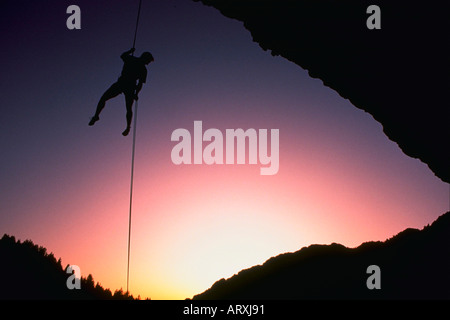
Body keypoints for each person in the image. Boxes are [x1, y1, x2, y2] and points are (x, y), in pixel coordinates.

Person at [89, 48, 154, 136]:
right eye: (148, 61)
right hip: (124, 84)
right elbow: (139, 84)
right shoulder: (136, 63)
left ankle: (127, 127)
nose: (148, 63)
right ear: (145, 58)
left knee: (126, 107)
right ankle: (96, 116)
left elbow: (140, 84)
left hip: (126, 85)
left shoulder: (138, 65)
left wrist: (136, 93)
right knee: (106, 98)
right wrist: (136, 94)